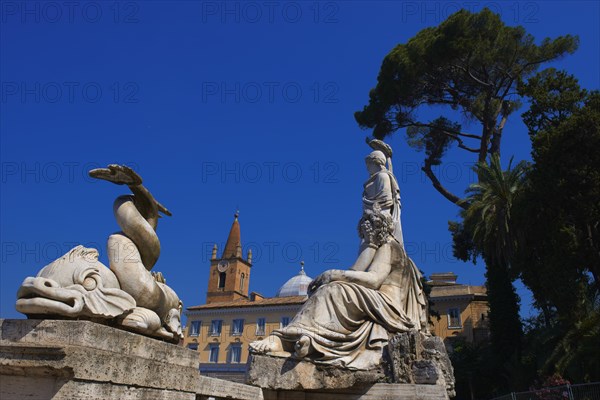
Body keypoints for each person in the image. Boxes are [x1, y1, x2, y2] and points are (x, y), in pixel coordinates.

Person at [249, 148, 428, 370]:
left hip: (388, 305)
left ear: (377, 226)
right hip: (374, 300)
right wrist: (332, 277)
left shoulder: (390, 247)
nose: (364, 235)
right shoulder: (374, 245)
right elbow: (356, 270)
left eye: (367, 229)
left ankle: (301, 339)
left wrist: (333, 275)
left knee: (334, 291)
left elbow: (372, 279)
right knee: (332, 288)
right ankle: (301, 339)